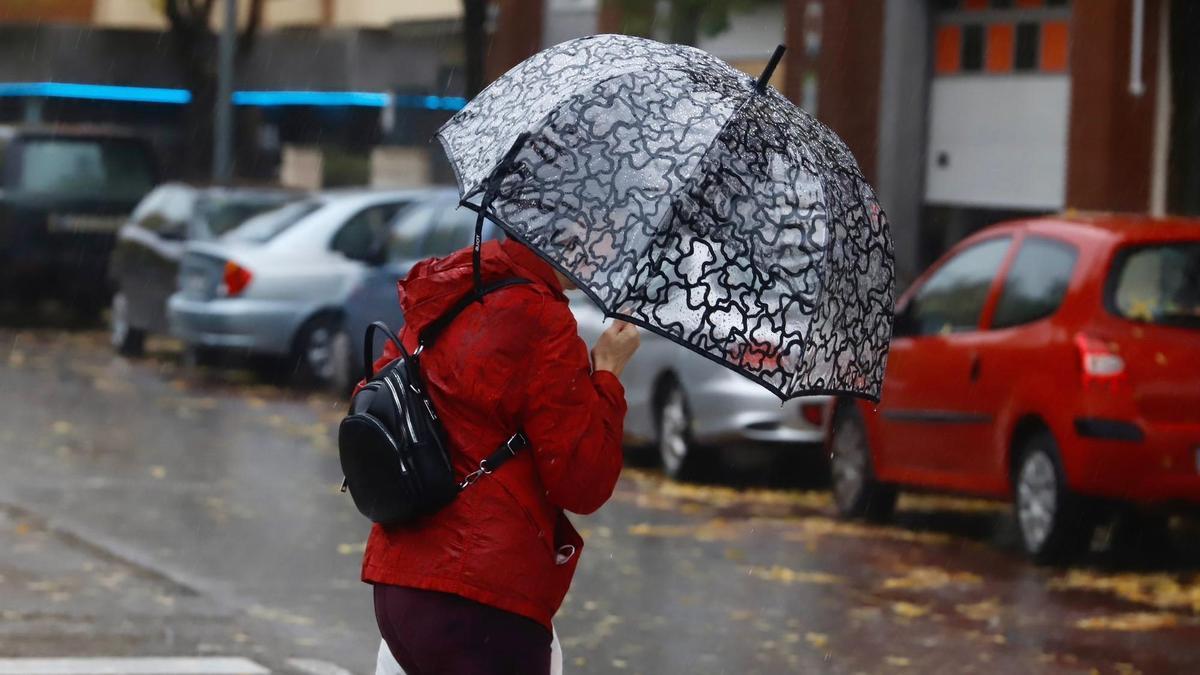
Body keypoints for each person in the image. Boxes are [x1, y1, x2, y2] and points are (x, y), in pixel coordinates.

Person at [359, 237, 639, 675]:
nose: (615, 249)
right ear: (570, 232)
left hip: (401, 585)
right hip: (481, 600)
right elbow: (583, 480)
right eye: (609, 233)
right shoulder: (543, 318)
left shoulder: (452, 287)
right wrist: (607, 376)